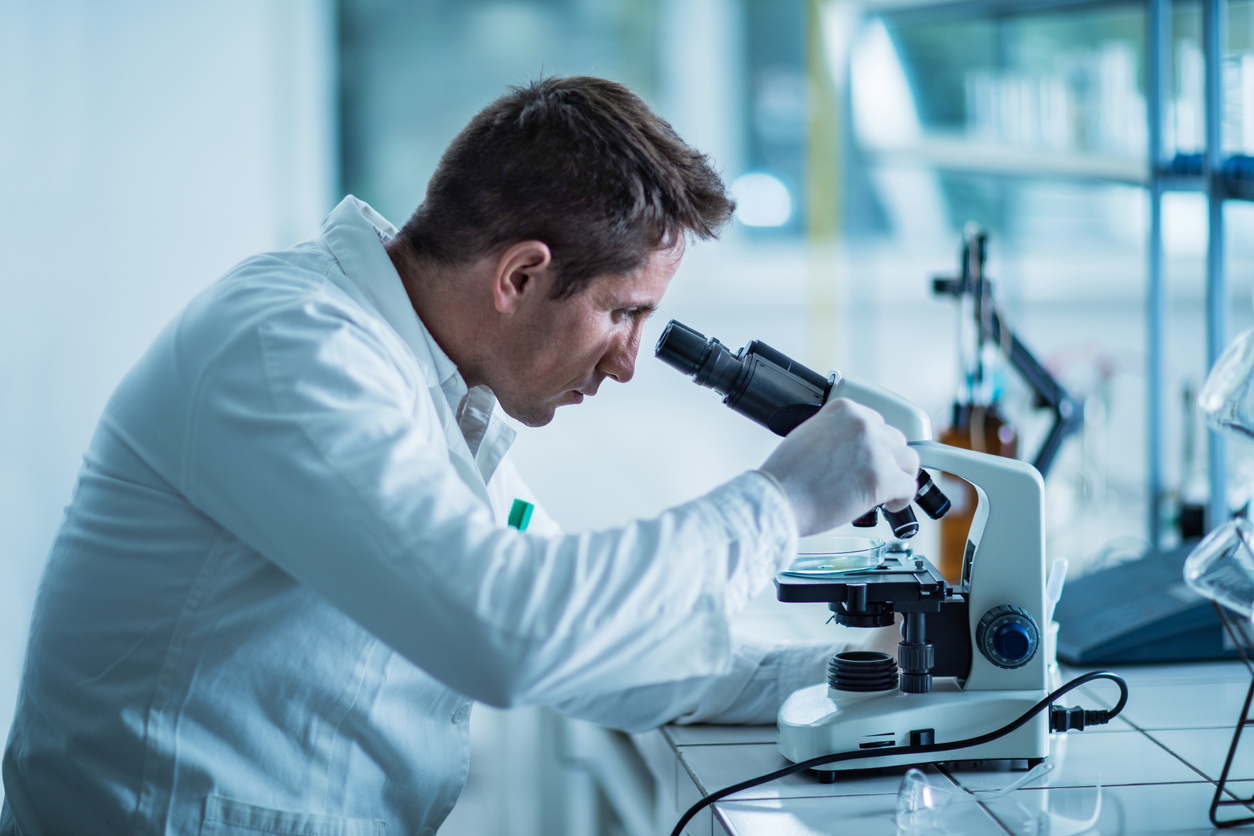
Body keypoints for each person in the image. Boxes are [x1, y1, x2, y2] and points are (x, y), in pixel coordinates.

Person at [0, 77, 918, 835]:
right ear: (520, 276)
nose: (631, 361)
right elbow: (507, 633)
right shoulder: (293, 348)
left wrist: (869, 675)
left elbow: (593, 643)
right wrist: (779, 501)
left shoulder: (422, 382)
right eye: (624, 312)